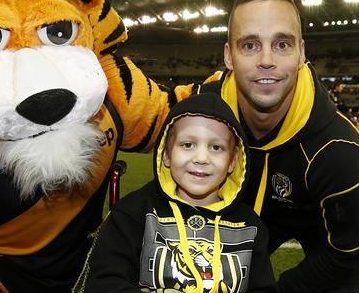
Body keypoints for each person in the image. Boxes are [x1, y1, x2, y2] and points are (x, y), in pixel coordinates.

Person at [175, 0, 359, 292]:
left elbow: (346, 251)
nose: (266, 60)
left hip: (313, 220)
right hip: (233, 212)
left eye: (282, 44)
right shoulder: (202, 117)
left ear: (301, 52)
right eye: (250, 45)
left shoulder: (337, 150)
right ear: (228, 55)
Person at [76, 93, 277, 293]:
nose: (201, 158)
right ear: (166, 154)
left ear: (233, 161)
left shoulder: (250, 226)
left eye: (216, 147)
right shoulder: (132, 213)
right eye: (187, 145)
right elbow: (103, 282)